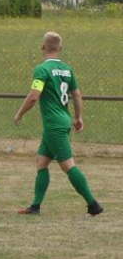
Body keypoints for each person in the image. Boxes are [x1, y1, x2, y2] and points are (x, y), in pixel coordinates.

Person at [14, 32, 103, 216]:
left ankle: (93, 204)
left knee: (68, 165)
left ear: (42, 47)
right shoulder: (67, 69)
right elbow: (77, 94)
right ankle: (35, 206)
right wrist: (78, 117)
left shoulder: (42, 70)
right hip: (61, 120)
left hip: (54, 125)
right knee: (41, 162)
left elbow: (33, 97)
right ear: (60, 49)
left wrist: (19, 113)